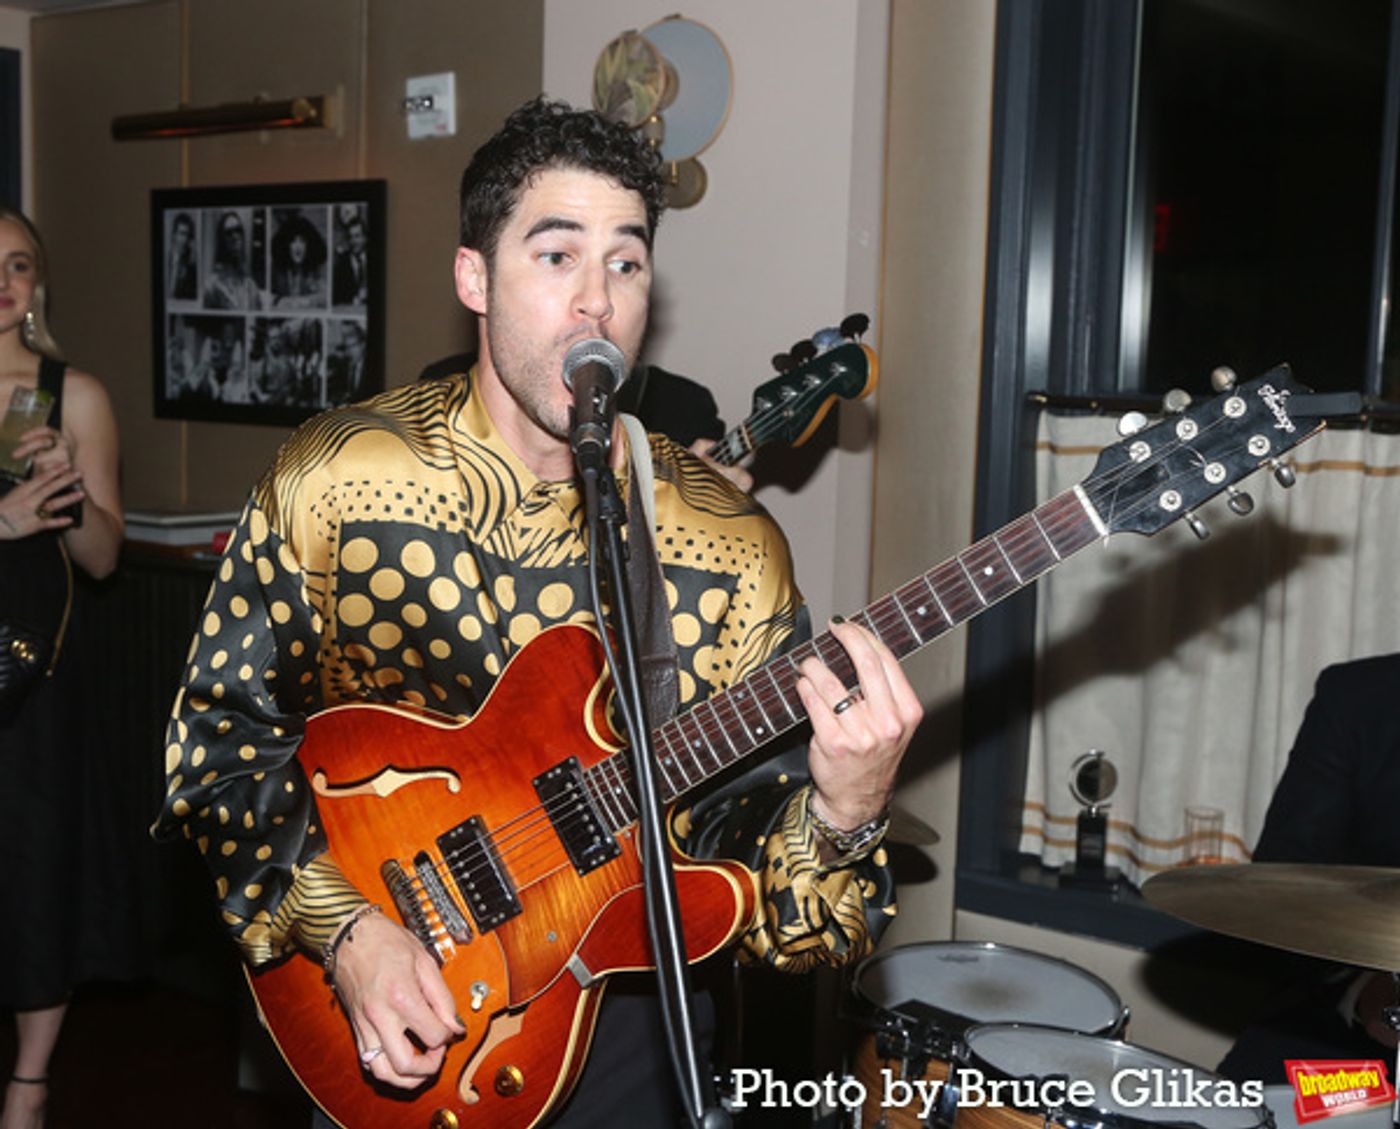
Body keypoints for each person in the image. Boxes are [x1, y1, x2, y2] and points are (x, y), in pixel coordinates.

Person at [154, 96, 921, 1127]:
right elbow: (216, 749)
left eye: (626, 262)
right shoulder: (340, 478)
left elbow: (789, 923)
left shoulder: (727, 545)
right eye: (557, 256)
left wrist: (845, 812)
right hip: (386, 1003)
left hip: (635, 1038)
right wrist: (346, 931)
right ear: (474, 278)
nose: (597, 301)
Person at [0, 207, 123, 1129]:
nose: (3, 283)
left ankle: (29, 1084)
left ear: (36, 282)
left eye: (17, 264)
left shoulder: (69, 392)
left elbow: (104, 557)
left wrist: (71, 488)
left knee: (37, 870)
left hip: (35, 668)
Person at [1216, 653, 1400, 1083]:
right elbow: (1284, 883)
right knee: (1237, 1101)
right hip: (1354, 1016)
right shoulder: (1359, 696)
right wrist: (1363, 988)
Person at [202, 210, 262, 311]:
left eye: (238, 230)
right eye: (229, 233)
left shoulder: (251, 287)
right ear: (222, 240)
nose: (235, 236)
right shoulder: (212, 287)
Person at [270, 210, 327, 310]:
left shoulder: (314, 270)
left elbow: (325, 296)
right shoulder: (277, 271)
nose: (298, 247)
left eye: (302, 241)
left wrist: (306, 301)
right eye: (293, 241)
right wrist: (279, 300)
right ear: (286, 245)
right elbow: (265, 296)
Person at [330, 208, 368, 307]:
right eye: (350, 237)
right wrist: (352, 300)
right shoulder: (341, 263)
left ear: (365, 238)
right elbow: (336, 297)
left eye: (357, 236)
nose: (353, 241)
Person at [166, 212, 197, 302]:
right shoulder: (166, 260)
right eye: (182, 234)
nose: (185, 239)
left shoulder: (191, 267)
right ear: (174, 235)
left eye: (187, 235)